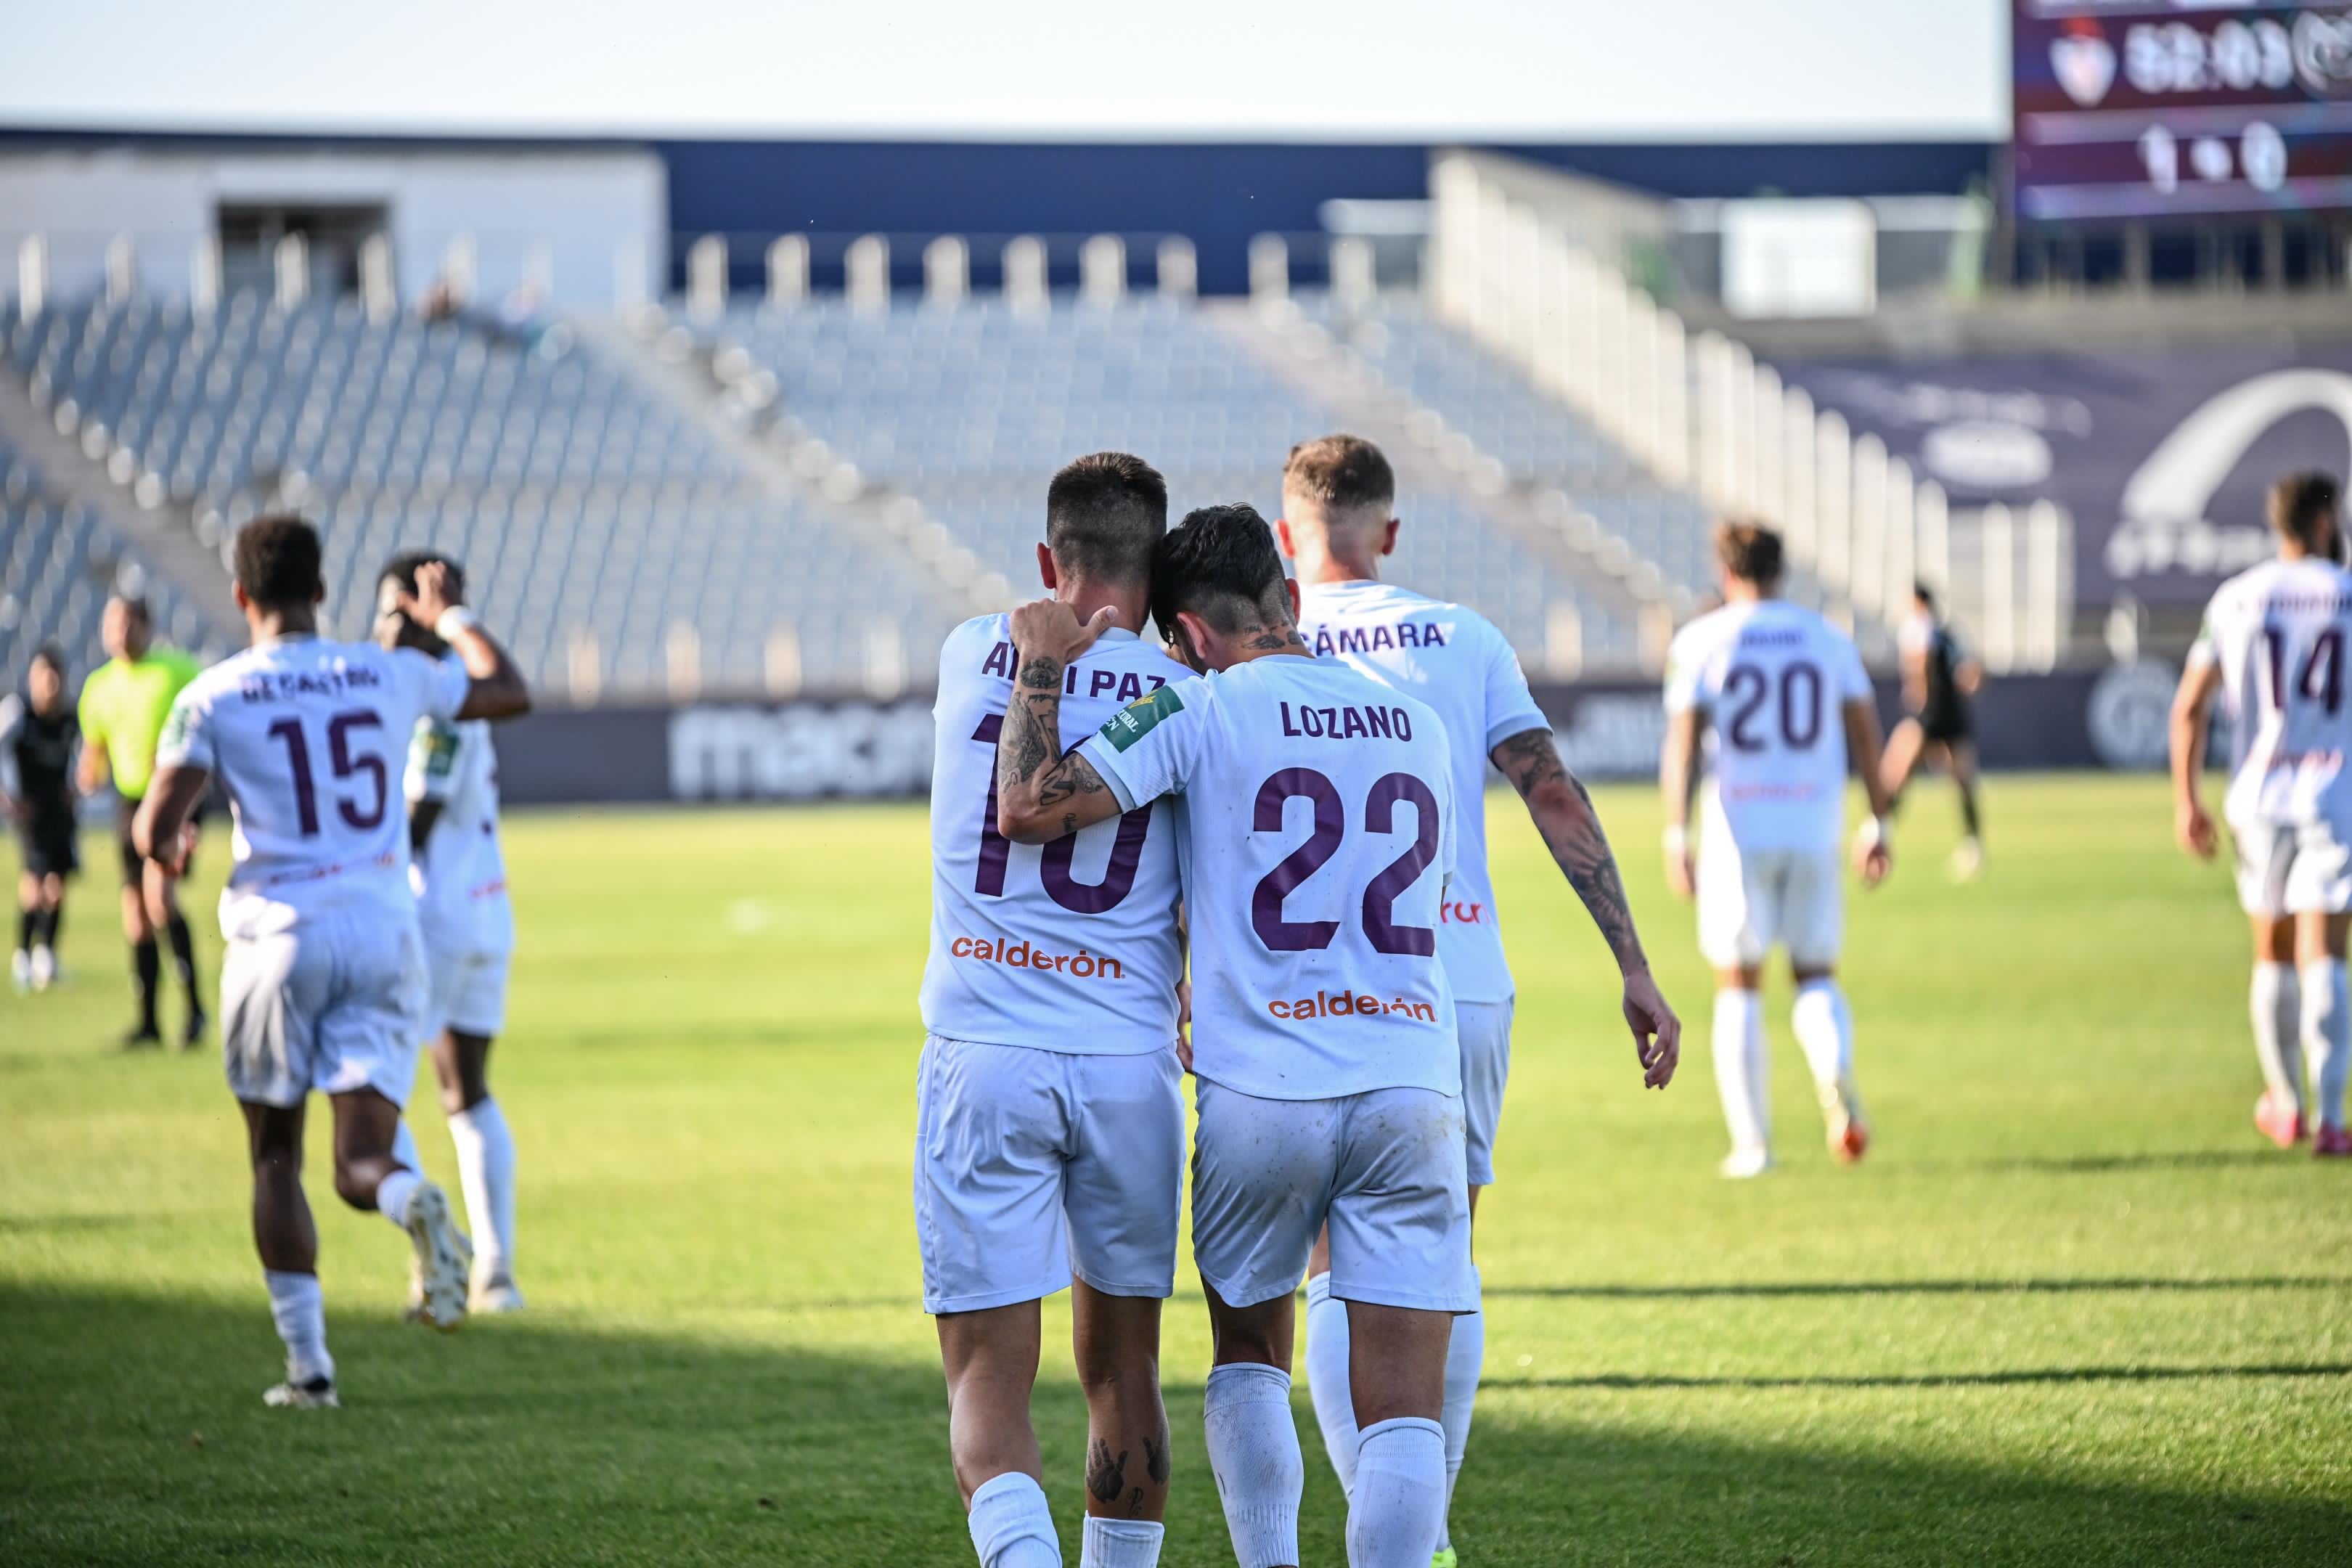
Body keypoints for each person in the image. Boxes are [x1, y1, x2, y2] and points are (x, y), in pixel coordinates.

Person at [1000, 504, 1681, 1568]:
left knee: (1250, 1358)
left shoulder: (1202, 706)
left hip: (1262, 1091)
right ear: (1289, 597)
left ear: (1188, 633)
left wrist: (1039, 670)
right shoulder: (1413, 722)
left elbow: (1037, 805)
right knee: (1403, 1407)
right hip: (1411, 1081)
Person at [1275, 434, 1681, 1566]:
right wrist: (1633, 964)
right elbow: (1548, 786)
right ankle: (1420, 1530)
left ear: (1283, 535)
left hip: (1315, 994)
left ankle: (1402, 1531)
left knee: (1325, 1262)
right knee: (1438, 1253)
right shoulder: (1463, 634)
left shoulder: (1268, 646)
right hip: (1459, 981)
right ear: (1391, 532)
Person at [135, 515, 533, 1408]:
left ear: (241, 597)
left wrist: (178, 845)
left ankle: (310, 1370)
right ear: (321, 589)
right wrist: (454, 617)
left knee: (276, 1157)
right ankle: (405, 1197)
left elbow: (154, 827)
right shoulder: (382, 670)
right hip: (386, 932)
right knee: (364, 1155)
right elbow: (506, 690)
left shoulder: (215, 694)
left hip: (279, 936)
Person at [917, 454, 1196, 1568]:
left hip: (987, 1055)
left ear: (1047, 559)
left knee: (989, 1380)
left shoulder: (969, 648)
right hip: (1129, 1062)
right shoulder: (1189, 694)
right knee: (1126, 1372)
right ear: (1157, 568)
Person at [1660, 521, 1893, 1179]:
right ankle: (1832, 1068)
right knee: (1816, 975)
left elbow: (1681, 745)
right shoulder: (1827, 637)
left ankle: (1754, 1146)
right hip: (1815, 826)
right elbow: (1866, 735)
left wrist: (1677, 834)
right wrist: (1879, 822)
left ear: (1726, 571)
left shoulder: (1703, 639)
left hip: (1738, 833)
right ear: (1782, 569)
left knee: (1739, 984)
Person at [2170, 470, 2352, 1158]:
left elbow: (2189, 706)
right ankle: (2333, 1118)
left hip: (2259, 796)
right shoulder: (2348, 595)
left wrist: (2187, 801)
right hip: (2336, 791)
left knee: (2271, 949)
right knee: (2326, 951)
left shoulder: (2238, 599)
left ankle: (2285, 1105)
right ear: (2324, 523)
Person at [377, 552, 526, 1314]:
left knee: (377, 1095)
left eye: (387, 614)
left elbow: (416, 818)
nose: (377, 631)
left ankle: (436, 1254)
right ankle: (496, 1270)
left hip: (430, 918)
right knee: (467, 1093)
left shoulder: (433, 706)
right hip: (487, 914)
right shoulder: (462, 696)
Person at [77, 595, 205, 1046]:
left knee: (159, 898)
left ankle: (195, 1012)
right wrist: (87, 774)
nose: (120, 632)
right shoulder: (98, 687)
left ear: (148, 626)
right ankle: (150, 1023)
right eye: (113, 624)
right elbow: (95, 749)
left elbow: (204, 732)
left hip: (171, 801)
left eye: (129, 623)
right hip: (128, 803)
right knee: (135, 913)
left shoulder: (177, 671)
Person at [1882, 583, 1985, 880]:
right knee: (1963, 780)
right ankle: (1974, 845)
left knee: (1897, 771)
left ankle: (1878, 833)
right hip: (1953, 712)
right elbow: (1973, 672)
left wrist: (1919, 692)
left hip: (1932, 713)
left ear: (1918, 601)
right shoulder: (1951, 631)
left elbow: (1922, 660)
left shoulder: (1919, 625)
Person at [4, 645, 81, 993]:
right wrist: (8, 799)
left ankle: (46, 955)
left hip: (60, 813)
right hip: (32, 814)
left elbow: (89, 756)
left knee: (57, 885)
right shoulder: (19, 713)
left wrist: (79, 788)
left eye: (55, 677)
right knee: (35, 883)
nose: (49, 684)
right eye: (42, 677)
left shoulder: (69, 718)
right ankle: (23, 956)